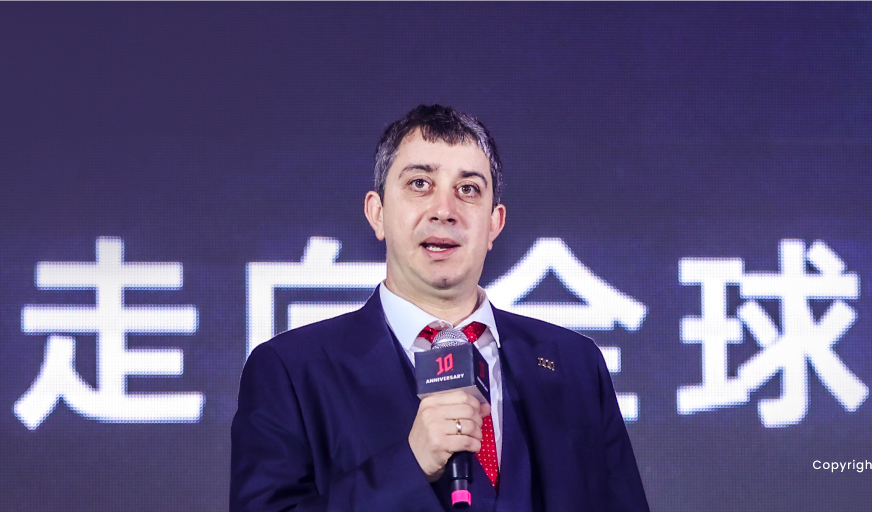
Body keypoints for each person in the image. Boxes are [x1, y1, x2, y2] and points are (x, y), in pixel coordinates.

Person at [230, 105, 649, 511]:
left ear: (494, 224)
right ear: (377, 213)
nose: (445, 211)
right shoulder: (290, 370)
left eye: (468, 190)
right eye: (420, 184)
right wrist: (407, 466)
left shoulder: (575, 364)